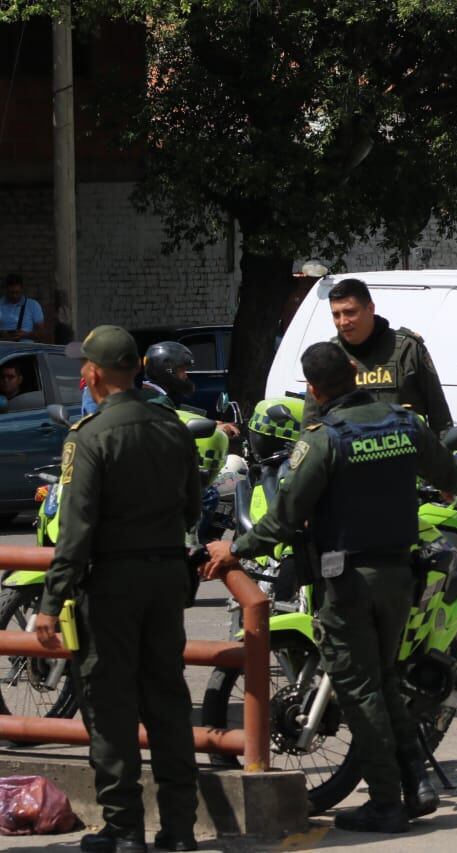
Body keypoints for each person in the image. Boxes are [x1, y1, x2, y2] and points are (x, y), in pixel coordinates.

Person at [202, 342, 457, 833]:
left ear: (313, 388)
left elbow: (282, 520)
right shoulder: (404, 423)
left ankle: (387, 802)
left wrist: (234, 549)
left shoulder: (323, 439)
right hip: (397, 576)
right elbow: (453, 475)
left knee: (358, 688)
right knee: (385, 678)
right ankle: (416, 784)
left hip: (345, 580)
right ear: (354, 372)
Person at [33, 325, 203, 853]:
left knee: (109, 708)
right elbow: (193, 507)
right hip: (166, 580)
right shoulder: (172, 426)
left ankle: (125, 829)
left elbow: (77, 528)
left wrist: (50, 600)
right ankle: (178, 831)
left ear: (93, 373)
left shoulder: (89, 435)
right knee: (168, 705)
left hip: (110, 587)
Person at [302, 277, 453, 437]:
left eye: (350, 312)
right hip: (350, 457)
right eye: (336, 315)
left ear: (370, 308)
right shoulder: (329, 358)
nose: (343, 322)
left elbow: (441, 420)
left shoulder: (407, 349)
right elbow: (310, 426)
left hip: (405, 455)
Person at [143, 341, 239, 437]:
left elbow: (178, 418)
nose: (186, 376)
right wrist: (216, 430)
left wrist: (212, 423)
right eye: (182, 370)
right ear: (168, 371)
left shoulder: (149, 395)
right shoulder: (156, 402)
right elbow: (171, 433)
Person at [0, 273, 47, 342]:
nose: (14, 296)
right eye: (11, 292)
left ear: (22, 289)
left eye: (17, 292)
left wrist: (26, 335)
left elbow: (42, 334)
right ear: (6, 289)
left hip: (26, 350)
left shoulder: (33, 305)